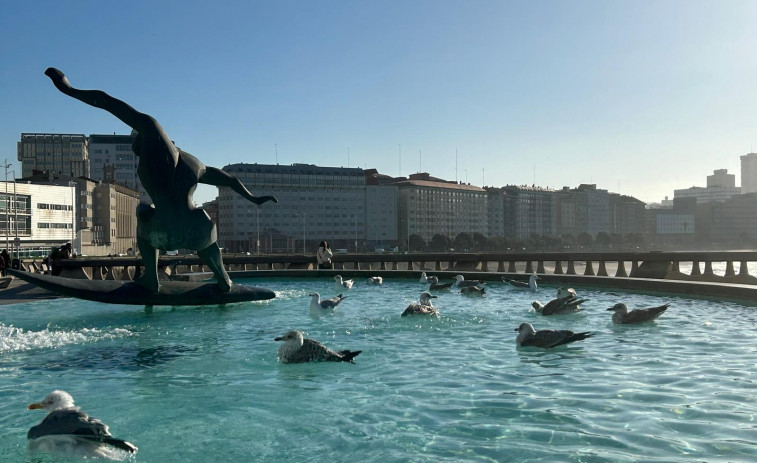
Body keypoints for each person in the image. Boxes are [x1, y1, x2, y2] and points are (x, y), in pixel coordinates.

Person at [45, 68, 277, 292]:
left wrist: (69, 89)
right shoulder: (197, 164)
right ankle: (222, 278)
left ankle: (151, 280)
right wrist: (254, 199)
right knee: (200, 224)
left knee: (143, 210)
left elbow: (108, 102)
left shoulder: (151, 131)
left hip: (164, 230)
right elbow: (230, 179)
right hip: (199, 229)